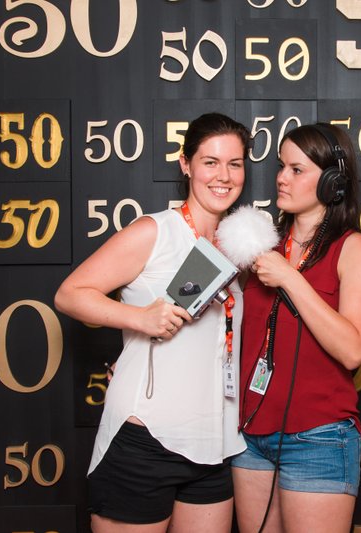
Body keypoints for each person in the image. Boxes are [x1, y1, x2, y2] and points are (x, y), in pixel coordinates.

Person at [54, 112, 251, 533]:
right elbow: (70, 294)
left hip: (213, 445)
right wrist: (139, 318)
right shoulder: (155, 231)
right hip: (145, 439)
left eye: (234, 164)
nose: (223, 176)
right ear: (186, 164)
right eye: (210, 162)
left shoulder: (236, 246)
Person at [232, 123, 361, 532]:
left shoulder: (354, 249)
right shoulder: (259, 246)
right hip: (250, 437)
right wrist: (146, 350)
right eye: (281, 166)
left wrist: (290, 278)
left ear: (333, 182)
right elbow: (207, 313)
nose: (282, 178)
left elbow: (353, 350)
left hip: (318, 438)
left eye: (297, 170)